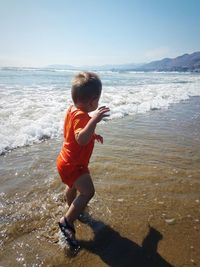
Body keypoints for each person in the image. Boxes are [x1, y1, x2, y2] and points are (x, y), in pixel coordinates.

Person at [56, 71, 110, 248]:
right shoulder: (82, 116)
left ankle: (72, 206)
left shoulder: (72, 110)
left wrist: (93, 134)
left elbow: (76, 134)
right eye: (98, 100)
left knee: (72, 186)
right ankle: (67, 220)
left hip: (64, 161)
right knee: (88, 192)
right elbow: (80, 138)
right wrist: (93, 121)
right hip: (74, 165)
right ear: (93, 101)